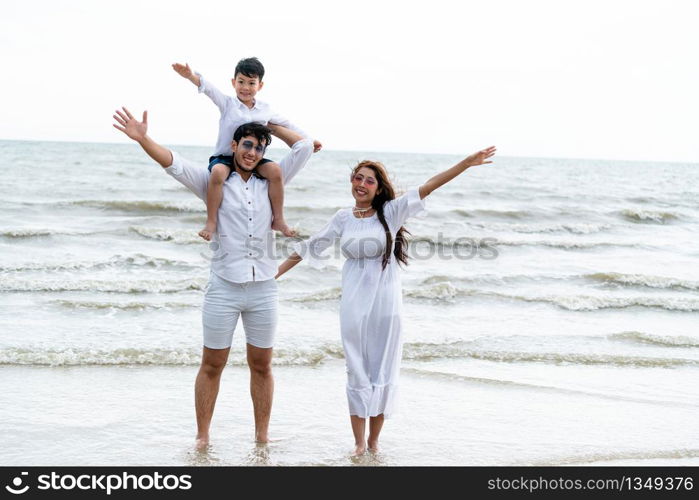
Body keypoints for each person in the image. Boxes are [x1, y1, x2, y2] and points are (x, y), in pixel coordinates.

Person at [112, 106, 314, 448]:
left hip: (264, 289)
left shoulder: (273, 180)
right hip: (223, 287)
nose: (252, 153)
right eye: (247, 145)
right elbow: (172, 162)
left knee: (262, 365)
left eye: (258, 148)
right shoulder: (213, 180)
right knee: (212, 364)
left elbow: (305, 146)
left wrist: (268, 126)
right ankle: (203, 436)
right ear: (234, 146)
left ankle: (261, 437)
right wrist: (143, 138)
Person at [275, 146, 496, 455]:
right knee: (356, 369)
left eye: (369, 181)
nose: (362, 185)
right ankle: (358, 442)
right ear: (351, 181)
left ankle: (374, 442)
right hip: (353, 305)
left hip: (386, 305)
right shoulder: (342, 218)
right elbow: (309, 247)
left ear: (378, 189)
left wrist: (466, 164)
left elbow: (430, 186)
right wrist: (272, 275)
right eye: (358, 178)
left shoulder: (390, 213)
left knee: (383, 370)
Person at [172, 57, 322, 240]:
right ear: (233, 82)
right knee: (217, 173)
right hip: (225, 157)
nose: (245, 87)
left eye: (251, 83)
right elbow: (210, 90)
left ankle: (279, 219)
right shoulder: (228, 104)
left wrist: (310, 139)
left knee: (275, 170)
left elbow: (287, 123)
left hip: (252, 159)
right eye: (241, 82)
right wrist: (190, 76)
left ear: (260, 85)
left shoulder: (265, 109)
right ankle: (211, 221)